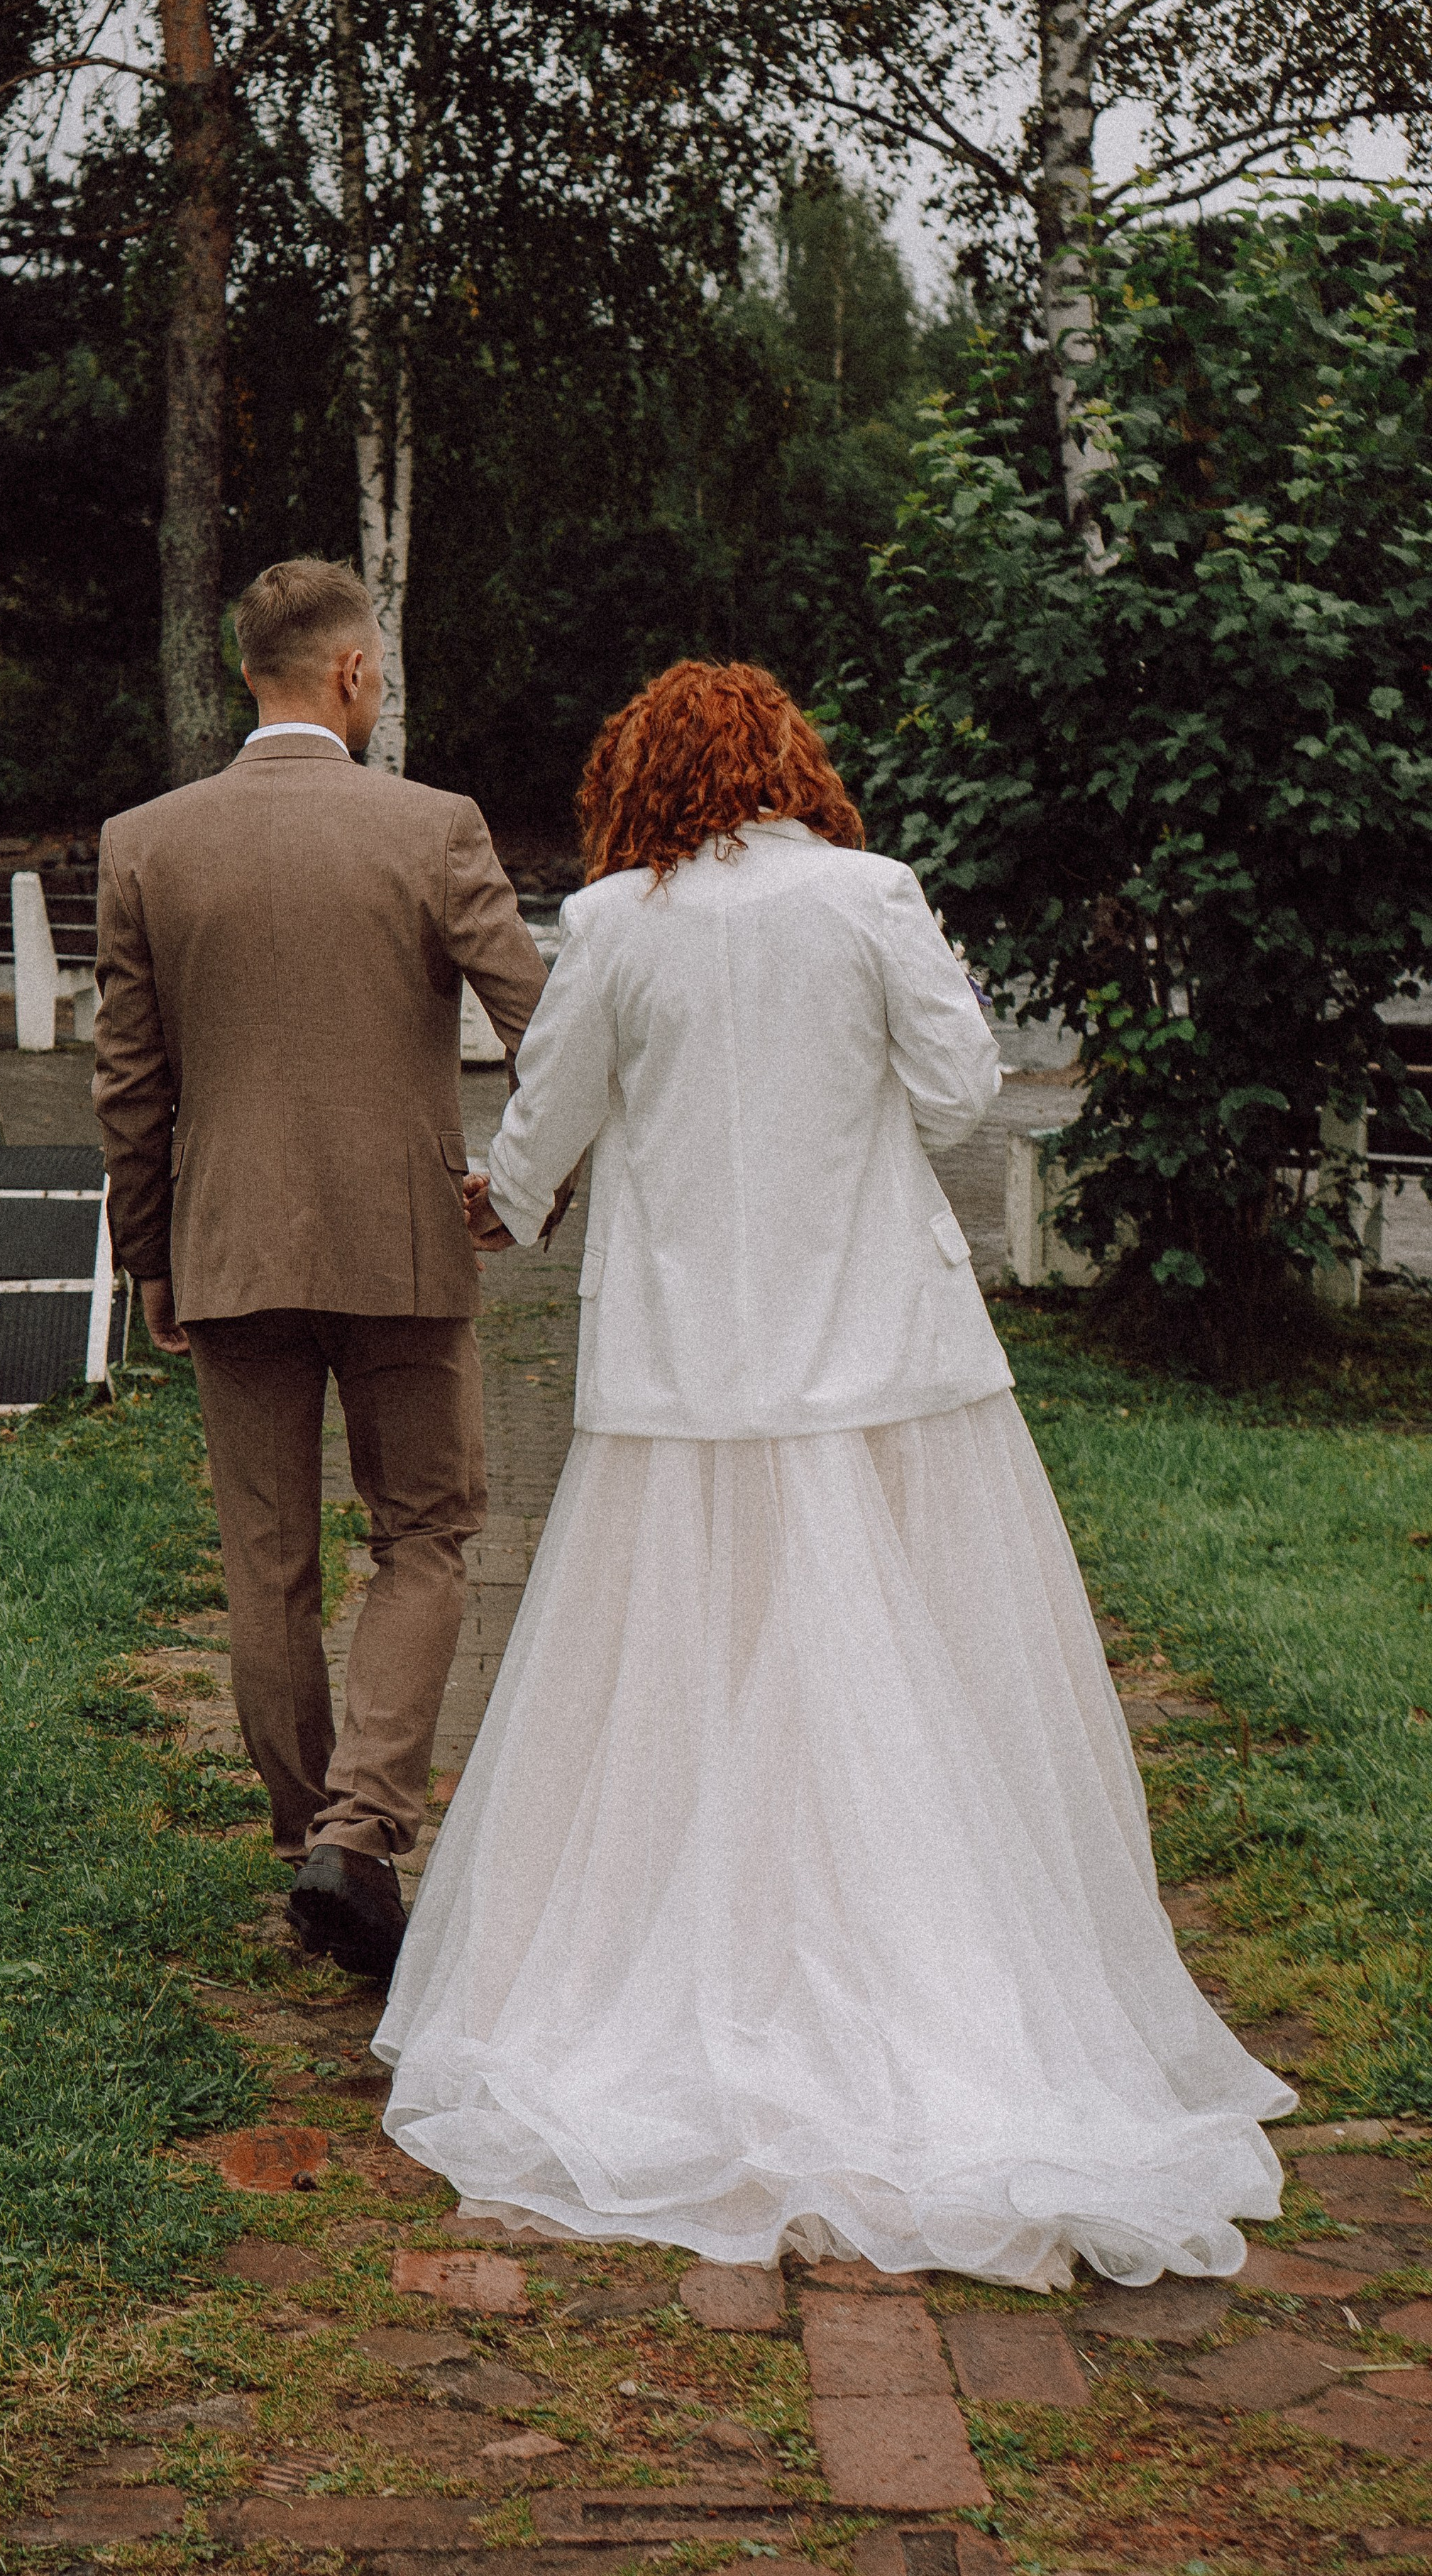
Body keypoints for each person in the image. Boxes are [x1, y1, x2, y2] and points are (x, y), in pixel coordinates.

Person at [373, 658, 1293, 2291]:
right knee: (910, 1662)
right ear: (789, 763)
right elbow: (955, 1085)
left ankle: (691, 1965)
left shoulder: (619, 924)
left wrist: (501, 1206)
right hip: (878, 1353)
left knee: (688, 1662)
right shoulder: (871, 896)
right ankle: (935, 1971)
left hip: (685, 1373)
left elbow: (546, 1110)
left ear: (636, 777)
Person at [92, 556, 547, 1984]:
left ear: (248, 673)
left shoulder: (144, 845)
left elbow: (128, 1082)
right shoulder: (433, 828)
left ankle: (310, 1849)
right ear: (351, 674)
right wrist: (529, 1188)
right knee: (425, 1531)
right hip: (404, 1244)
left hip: (227, 1242)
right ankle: (364, 1828)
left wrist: (146, 1255)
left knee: (265, 1560)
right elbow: (548, 1027)